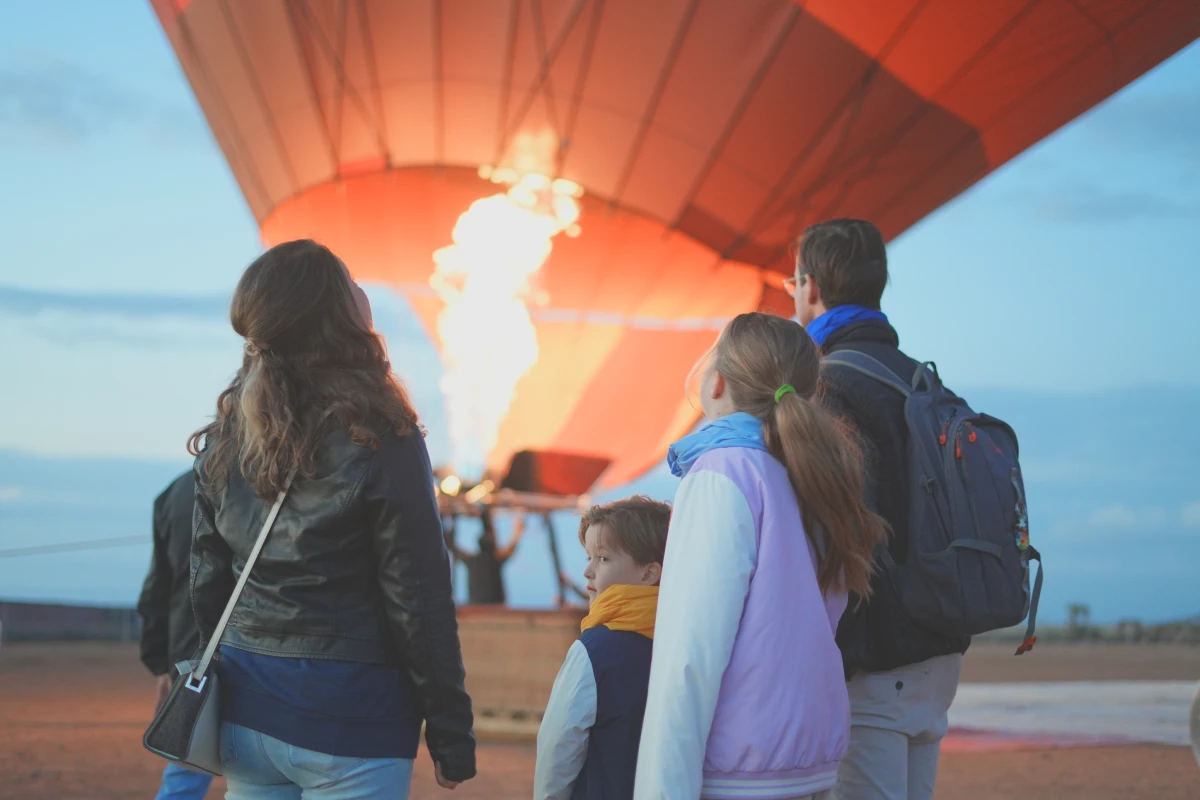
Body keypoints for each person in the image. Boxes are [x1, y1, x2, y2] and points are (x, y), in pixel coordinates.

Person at [189, 239, 475, 799]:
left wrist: (219, 688)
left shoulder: (226, 437)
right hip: (351, 718)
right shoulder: (380, 435)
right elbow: (418, 598)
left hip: (247, 713)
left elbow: (207, 579)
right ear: (341, 316)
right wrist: (450, 733)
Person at [634, 312, 888, 800]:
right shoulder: (814, 480)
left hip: (739, 771)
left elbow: (689, 656)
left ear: (717, 383)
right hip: (807, 763)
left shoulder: (721, 473)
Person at [790, 218, 969, 800]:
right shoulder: (922, 380)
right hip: (937, 653)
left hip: (875, 662)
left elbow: (839, 534)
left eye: (793, 283)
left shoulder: (830, 385)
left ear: (811, 285)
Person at [534, 496, 671, 800]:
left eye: (603, 559)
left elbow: (559, 744)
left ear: (649, 574)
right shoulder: (685, 641)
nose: (588, 572)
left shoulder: (595, 650)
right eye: (589, 558)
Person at [137, 470, 213, 800]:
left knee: (185, 772)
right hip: (264, 652)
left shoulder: (176, 491)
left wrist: (162, 667)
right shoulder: (277, 476)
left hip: (191, 660)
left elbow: (158, 589)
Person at [445, 506, 525, 605]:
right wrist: (518, 528)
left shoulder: (473, 561)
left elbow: (452, 547)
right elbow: (512, 546)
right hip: (495, 606)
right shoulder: (495, 559)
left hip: (478, 606)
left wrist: (450, 520)